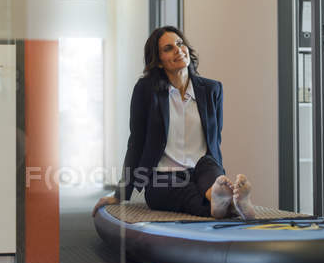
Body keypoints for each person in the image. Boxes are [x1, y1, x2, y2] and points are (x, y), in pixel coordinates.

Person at [92, 26, 255, 219]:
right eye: (168, 48)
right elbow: (136, 142)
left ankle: (219, 197)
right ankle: (231, 205)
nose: (178, 50)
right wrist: (122, 192)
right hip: (163, 175)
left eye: (180, 43)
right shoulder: (145, 90)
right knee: (183, 195)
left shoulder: (212, 89)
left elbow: (215, 137)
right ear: (159, 62)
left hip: (204, 167)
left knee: (213, 179)